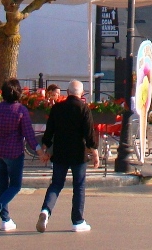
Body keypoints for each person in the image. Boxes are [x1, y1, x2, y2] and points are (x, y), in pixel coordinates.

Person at [36, 80, 99, 233]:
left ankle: (46, 210)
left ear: (68, 92)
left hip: (60, 152)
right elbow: (89, 134)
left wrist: (44, 148)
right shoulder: (84, 109)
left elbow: (49, 131)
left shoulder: (57, 108)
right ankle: (77, 221)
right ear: (81, 93)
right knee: (79, 186)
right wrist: (95, 152)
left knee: (56, 184)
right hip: (78, 153)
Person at [0, 78, 38, 232]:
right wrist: (38, 149)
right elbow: (28, 133)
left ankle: (5, 219)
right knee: (15, 185)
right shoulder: (21, 110)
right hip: (14, 151)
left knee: (2, 184)